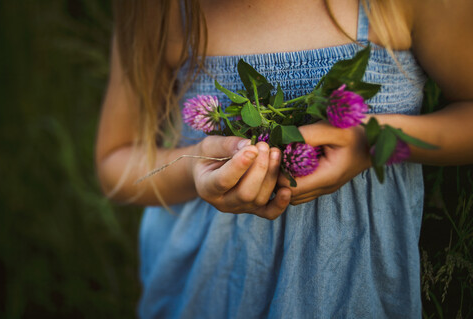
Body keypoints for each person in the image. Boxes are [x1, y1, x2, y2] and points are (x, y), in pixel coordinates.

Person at [95, 0, 473, 317]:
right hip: (205, 289)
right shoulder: (160, 9)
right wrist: (193, 169)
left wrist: (370, 142)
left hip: (350, 289)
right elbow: (115, 163)